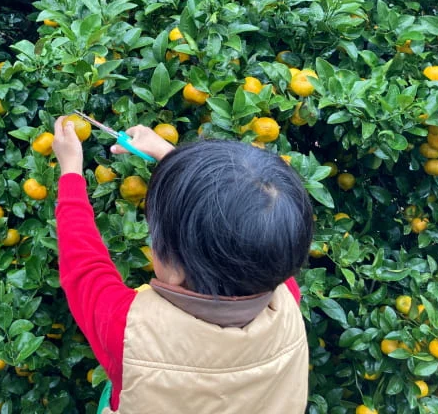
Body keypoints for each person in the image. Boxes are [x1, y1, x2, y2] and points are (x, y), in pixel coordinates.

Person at [52, 117, 314, 414]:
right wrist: (169, 156)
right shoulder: (285, 298)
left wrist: (71, 170)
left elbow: (85, 267)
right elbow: (233, 222)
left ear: (175, 270)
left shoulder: (128, 330)